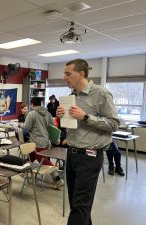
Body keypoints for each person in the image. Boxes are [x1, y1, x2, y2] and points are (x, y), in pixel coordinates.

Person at [56, 59, 119, 225]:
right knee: (78, 205)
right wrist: (62, 116)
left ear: (81, 74)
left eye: (68, 74)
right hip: (72, 154)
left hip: (90, 157)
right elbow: (72, 126)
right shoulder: (71, 97)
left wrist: (85, 117)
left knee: (79, 207)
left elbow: (114, 124)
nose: (64, 77)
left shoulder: (101, 93)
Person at [20, 97, 63, 189]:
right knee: (31, 156)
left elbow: (27, 127)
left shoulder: (32, 114)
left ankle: (57, 178)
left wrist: (20, 125)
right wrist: (56, 138)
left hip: (37, 142)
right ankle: (25, 171)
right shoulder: (47, 113)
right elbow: (53, 127)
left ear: (32, 104)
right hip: (46, 141)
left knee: (42, 160)